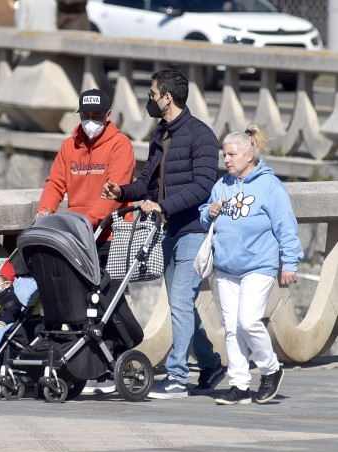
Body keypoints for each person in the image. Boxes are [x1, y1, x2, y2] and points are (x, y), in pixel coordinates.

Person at [102, 69, 224, 399]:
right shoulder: (161, 134)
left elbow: (203, 187)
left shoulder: (201, 135)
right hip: (167, 232)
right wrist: (122, 192)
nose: (149, 100)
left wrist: (163, 207)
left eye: (152, 94)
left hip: (193, 231)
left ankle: (176, 378)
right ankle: (212, 364)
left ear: (167, 97)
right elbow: (147, 183)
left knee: (181, 303)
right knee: (181, 304)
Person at [35, 88, 134, 394]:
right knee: (80, 305)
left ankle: (114, 362)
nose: (90, 121)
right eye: (85, 116)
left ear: (108, 116)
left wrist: (86, 221)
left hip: (109, 234)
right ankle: (86, 363)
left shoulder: (120, 146)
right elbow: (56, 183)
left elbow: (115, 192)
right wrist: (45, 210)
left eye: (96, 116)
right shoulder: (70, 146)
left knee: (108, 301)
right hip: (79, 237)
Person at [200, 126, 302, 405]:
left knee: (248, 321)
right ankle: (239, 385)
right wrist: (208, 213)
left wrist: (289, 262)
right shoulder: (223, 184)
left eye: (232, 154)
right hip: (226, 267)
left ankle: (271, 368)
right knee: (231, 328)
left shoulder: (270, 186)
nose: (227, 160)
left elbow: (285, 227)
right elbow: (204, 217)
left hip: (259, 265)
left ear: (249, 154)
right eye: (225, 154)